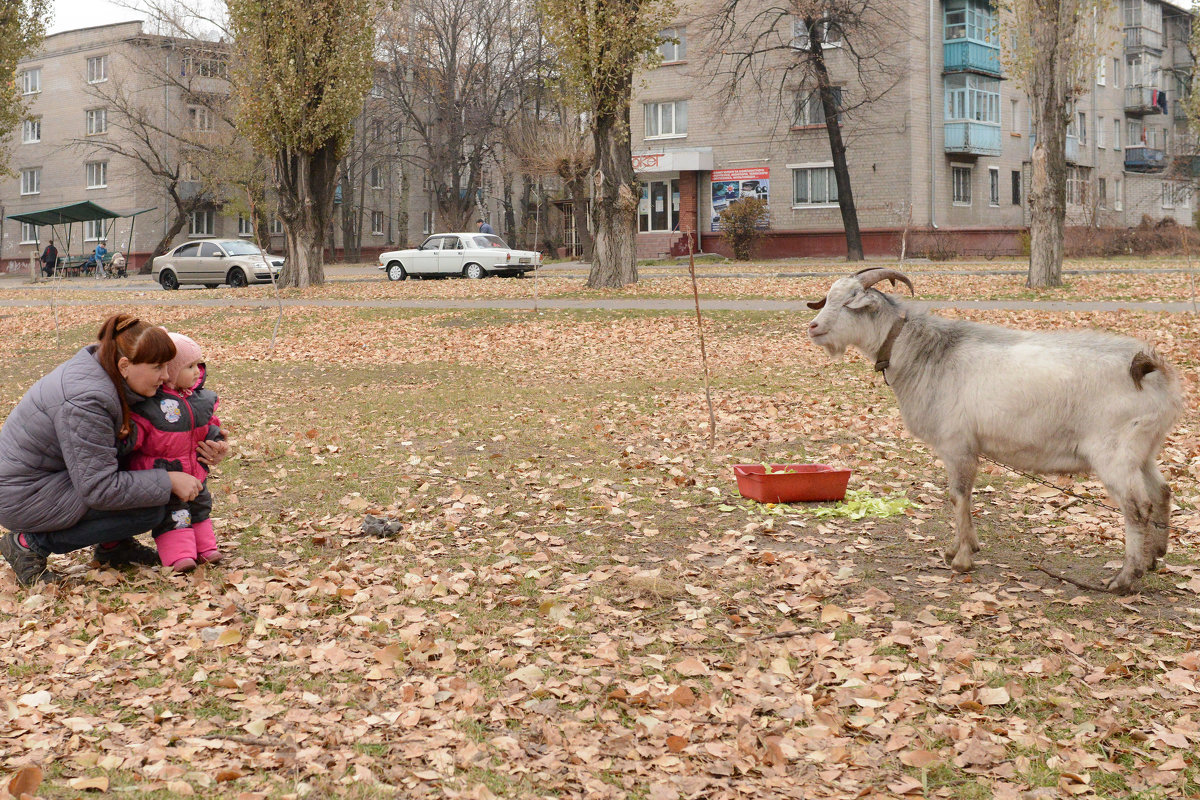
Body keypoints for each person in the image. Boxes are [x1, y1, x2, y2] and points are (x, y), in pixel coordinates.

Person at [0, 315, 228, 586]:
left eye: (167, 366)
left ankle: (114, 547)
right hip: (24, 493)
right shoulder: (86, 401)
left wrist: (204, 444)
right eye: (157, 367)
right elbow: (99, 487)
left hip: (55, 477)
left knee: (147, 485)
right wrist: (168, 480)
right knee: (153, 505)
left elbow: (124, 446)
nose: (166, 376)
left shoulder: (107, 368)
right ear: (125, 365)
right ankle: (29, 543)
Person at [126, 331, 225, 572]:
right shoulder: (150, 405)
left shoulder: (201, 399)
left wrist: (218, 441)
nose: (196, 372)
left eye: (198, 365)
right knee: (174, 514)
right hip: (165, 474)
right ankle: (179, 555)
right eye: (189, 366)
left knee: (201, 508)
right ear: (169, 371)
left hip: (196, 471)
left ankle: (206, 548)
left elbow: (210, 425)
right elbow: (135, 437)